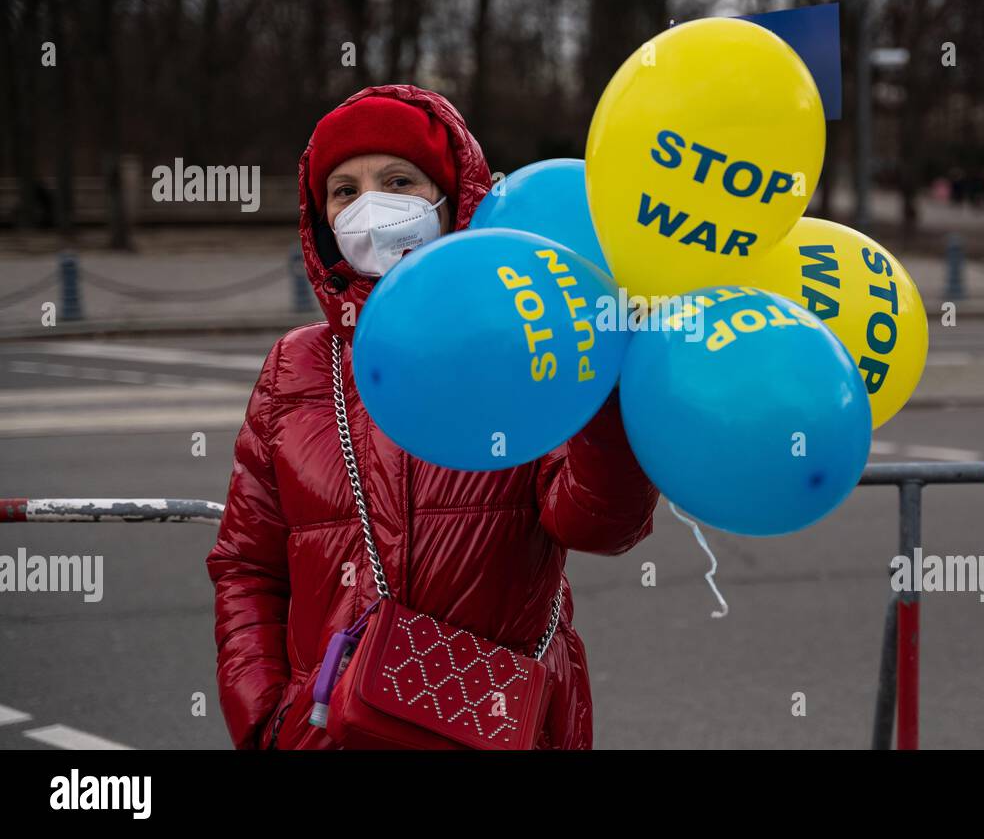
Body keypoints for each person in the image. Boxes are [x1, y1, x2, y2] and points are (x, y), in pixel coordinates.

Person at [206, 84, 659, 750]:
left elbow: (602, 523)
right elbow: (248, 567)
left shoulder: (531, 345)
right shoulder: (294, 367)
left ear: (455, 202)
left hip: (499, 721)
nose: (370, 208)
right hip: (327, 728)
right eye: (344, 191)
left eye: (398, 181)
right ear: (321, 219)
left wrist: (609, 397)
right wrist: (266, 716)